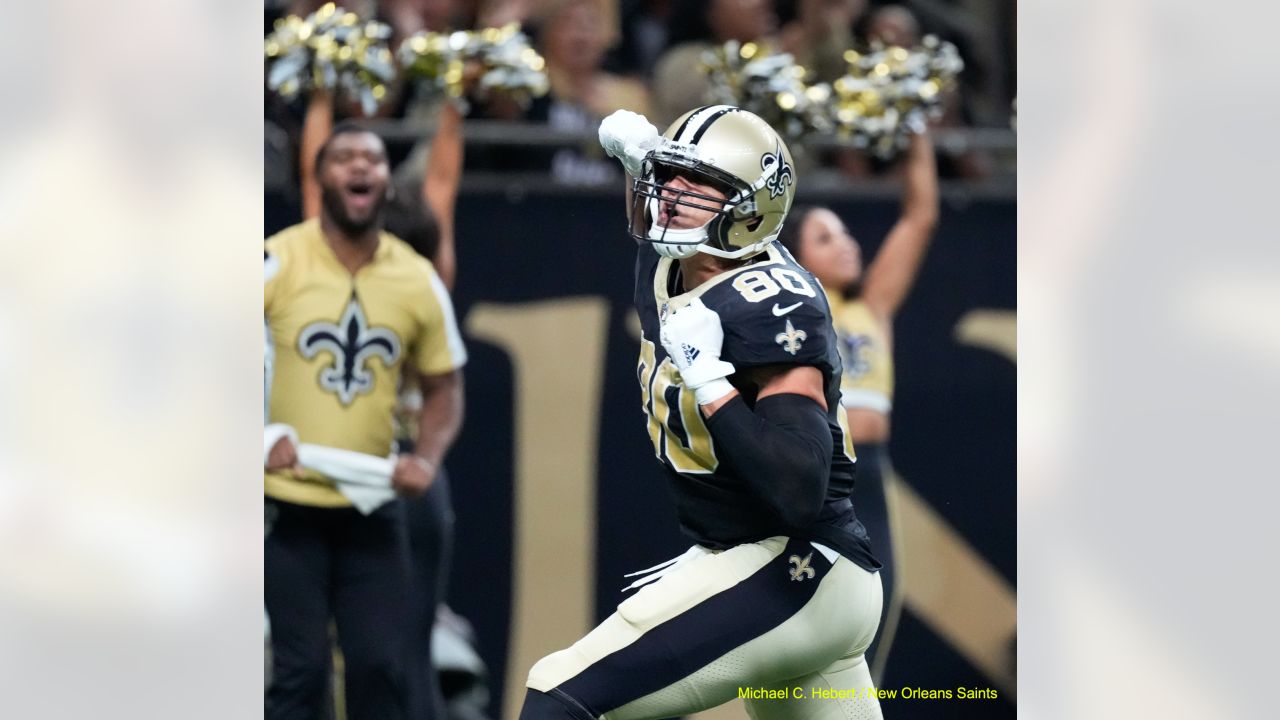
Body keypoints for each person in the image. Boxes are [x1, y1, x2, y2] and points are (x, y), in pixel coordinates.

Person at [517, 106, 885, 719]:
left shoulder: (771, 304)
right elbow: (661, 235)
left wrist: (711, 381)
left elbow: (797, 487)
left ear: (747, 210)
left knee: (561, 698)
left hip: (796, 563)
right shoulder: (677, 261)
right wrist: (644, 161)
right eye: (669, 176)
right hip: (785, 570)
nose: (669, 194)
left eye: (695, 183)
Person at [264, 122, 467, 720]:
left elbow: (445, 385)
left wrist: (427, 457)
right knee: (300, 670)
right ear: (319, 177)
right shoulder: (276, 262)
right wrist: (259, 436)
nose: (361, 168)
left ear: (386, 181)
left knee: (382, 666)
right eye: (344, 157)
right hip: (286, 503)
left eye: (373, 159)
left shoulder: (416, 278)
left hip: (372, 504)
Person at [778, 130, 938, 682]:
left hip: (870, 481)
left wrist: (914, 129)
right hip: (817, 482)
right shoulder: (787, 311)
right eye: (826, 237)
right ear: (796, 255)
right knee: (803, 634)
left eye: (846, 233)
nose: (848, 244)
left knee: (872, 632)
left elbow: (919, 218)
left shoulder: (874, 308)